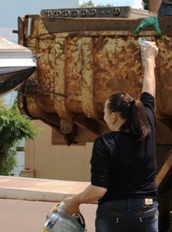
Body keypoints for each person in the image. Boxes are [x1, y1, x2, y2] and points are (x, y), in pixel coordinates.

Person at [63, 41, 159, 232]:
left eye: (105, 113)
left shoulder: (104, 143)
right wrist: (149, 58)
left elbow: (99, 190)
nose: (104, 117)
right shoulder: (147, 125)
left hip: (113, 213)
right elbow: (149, 88)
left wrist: (75, 201)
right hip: (146, 209)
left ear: (113, 116)